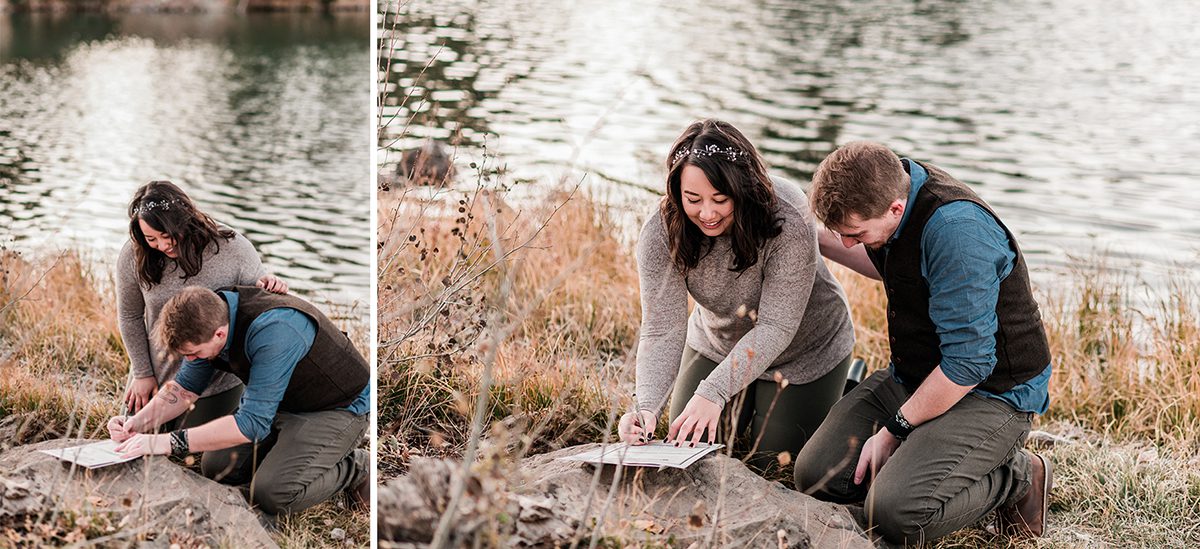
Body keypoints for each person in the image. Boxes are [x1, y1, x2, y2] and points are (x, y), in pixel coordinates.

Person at [794, 141, 1053, 543]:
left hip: (990, 391)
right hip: (917, 376)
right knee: (816, 475)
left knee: (895, 514)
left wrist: (895, 429)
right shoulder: (888, 187)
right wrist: (809, 238)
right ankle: (923, 460)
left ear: (895, 209)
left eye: (856, 234)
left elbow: (968, 365)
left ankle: (1017, 476)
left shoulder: (958, 234)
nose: (849, 243)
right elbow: (889, 262)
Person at [617, 119, 856, 474]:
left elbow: (775, 326)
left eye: (720, 198)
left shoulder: (787, 216)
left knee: (772, 463)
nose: (708, 213)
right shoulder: (660, 232)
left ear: (741, 187)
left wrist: (711, 393)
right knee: (688, 446)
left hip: (806, 351)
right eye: (693, 199)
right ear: (675, 190)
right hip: (718, 343)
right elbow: (661, 327)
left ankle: (849, 386)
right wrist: (647, 407)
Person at [107, 285, 370, 515]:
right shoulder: (210, 319)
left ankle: (357, 467)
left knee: (272, 494)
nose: (190, 361)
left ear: (220, 335)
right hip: (279, 401)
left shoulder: (276, 331)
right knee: (217, 467)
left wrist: (165, 442)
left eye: (194, 354)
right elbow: (185, 389)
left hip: (337, 407)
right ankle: (288, 456)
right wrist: (136, 424)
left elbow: (251, 425)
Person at [118, 181, 288, 430]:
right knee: (129, 435)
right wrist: (142, 373)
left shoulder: (232, 248)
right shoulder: (134, 255)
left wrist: (270, 285)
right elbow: (130, 316)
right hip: (156, 373)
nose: (163, 246)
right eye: (151, 238)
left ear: (185, 219)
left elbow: (258, 303)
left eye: (167, 235)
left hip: (215, 381)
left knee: (193, 449)